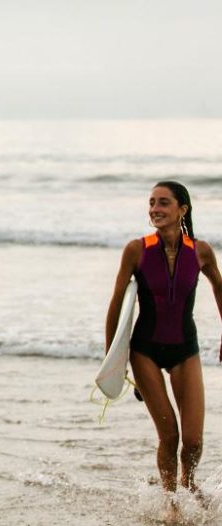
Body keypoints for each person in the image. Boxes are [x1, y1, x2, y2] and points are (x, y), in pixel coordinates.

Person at [105, 181, 222, 508]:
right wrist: (113, 360)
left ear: (181, 210)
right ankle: (171, 501)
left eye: (164, 203)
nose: (155, 208)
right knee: (169, 436)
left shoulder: (200, 251)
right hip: (145, 350)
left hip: (186, 348)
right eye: (152, 202)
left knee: (194, 442)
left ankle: (189, 483)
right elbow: (116, 303)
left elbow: (220, 287)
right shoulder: (137, 249)